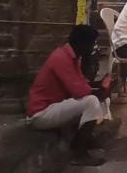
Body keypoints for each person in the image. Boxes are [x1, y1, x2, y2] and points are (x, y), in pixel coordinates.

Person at [26, 25, 112, 167]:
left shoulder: (71, 56)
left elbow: (81, 83)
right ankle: (79, 153)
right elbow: (79, 91)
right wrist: (101, 90)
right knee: (91, 102)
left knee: (91, 100)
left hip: (52, 108)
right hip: (41, 114)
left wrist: (100, 86)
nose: (93, 48)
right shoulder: (61, 58)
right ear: (82, 43)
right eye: (92, 43)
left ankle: (86, 141)